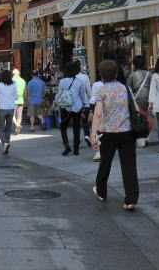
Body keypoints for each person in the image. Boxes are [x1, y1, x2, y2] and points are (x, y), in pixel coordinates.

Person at [90, 59, 139, 212]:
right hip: (127, 132)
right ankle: (131, 200)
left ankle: (101, 191)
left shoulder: (101, 90)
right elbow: (136, 108)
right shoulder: (125, 88)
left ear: (101, 75)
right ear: (116, 73)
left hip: (108, 132)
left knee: (105, 163)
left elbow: (98, 114)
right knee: (129, 166)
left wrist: (93, 134)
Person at [54, 61, 90, 156]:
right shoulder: (79, 82)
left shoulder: (62, 81)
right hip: (77, 107)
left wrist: (55, 102)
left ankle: (67, 146)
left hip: (65, 106)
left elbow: (59, 94)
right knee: (76, 128)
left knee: (63, 127)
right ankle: (76, 150)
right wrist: (84, 104)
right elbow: (82, 95)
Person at [127, 55, 153, 148]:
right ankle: (146, 137)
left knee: (138, 118)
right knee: (147, 118)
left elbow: (128, 88)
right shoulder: (150, 74)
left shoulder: (132, 75)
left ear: (135, 64)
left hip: (137, 99)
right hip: (148, 99)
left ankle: (140, 139)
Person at [0, 69, 18, 154]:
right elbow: (16, 96)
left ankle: (5, 143)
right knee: (8, 127)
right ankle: (7, 143)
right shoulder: (14, 84)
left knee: (0, 128)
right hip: (11, 108)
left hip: (2, 108)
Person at [12, 68, 27, 135]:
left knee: (11, 114)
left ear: (13, 74)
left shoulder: (11, 80)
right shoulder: (23, 80)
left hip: (13, 100)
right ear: (19, 73)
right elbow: (25, 92)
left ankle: (17, 125)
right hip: (21, 100)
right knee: (19, 115)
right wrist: (25, 100)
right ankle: (17, 128)